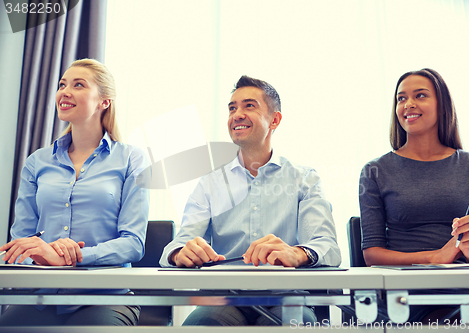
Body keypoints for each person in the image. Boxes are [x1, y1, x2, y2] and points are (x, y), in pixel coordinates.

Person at [160, 75, 341, 326]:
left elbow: (328, 247)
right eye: (232, 108)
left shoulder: (304, 179)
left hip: (286, 297)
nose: (237, 114)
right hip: (224, 300)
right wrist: (180, 253)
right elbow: (176, 246)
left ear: (275, 119)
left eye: (249, 106)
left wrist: (297, 253)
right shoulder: (211, 182)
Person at [0, 59, 149, 326]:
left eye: (78, 85)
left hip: (106, 298)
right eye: (62, 85)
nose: (64, 92)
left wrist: (75, 256)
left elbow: (133, 243)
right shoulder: (37, 161)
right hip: (41, 298)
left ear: (104, 101)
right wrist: (39, 254)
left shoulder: (132, 160)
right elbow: (21, 241)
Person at [359, 68, 469, 322]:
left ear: (442, 106)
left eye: (420, 95)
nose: (408, 104)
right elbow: (372, 255)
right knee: (448, 316)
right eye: (401, 98)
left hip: (468, 288)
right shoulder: (375, 170)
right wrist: (435, 258)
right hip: (407, 292)